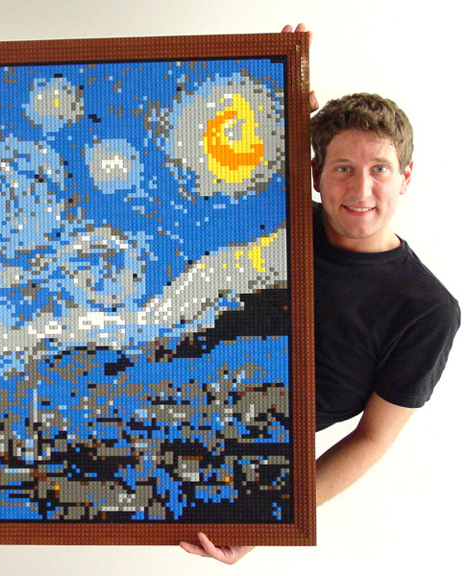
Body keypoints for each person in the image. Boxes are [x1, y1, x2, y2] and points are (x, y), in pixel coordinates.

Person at [180, 24, 460, 564]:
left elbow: (372, 438)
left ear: (406, 177)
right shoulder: (272, 218)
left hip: (229, 473)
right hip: (135, 402)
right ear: (314, 173)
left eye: (379, 170)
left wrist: (273, 517)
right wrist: (268, 87)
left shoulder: (427, 311)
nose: (361, 189)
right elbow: (194, 175)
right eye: (343, 169)